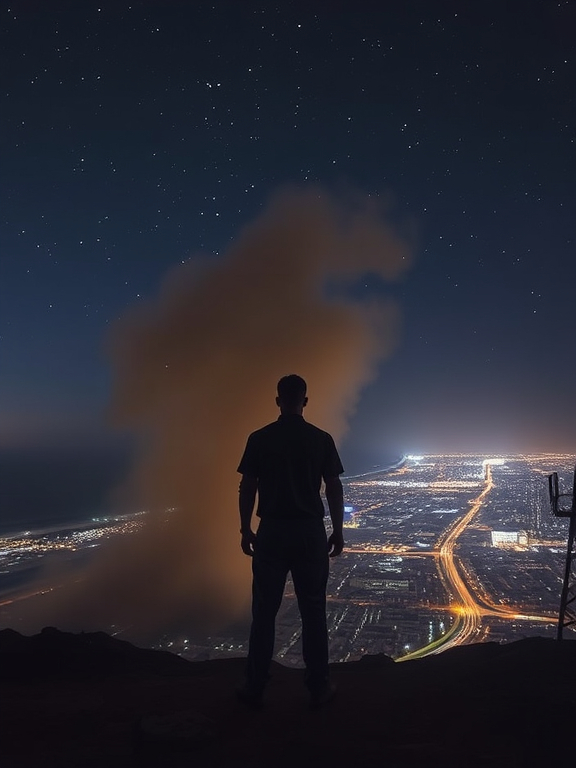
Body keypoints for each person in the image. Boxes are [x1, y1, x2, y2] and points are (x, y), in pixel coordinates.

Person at [237, 374, 345, 709]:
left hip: (271, 532)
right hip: (309, 532)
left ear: (277, 400)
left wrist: (245, 528)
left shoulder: (260, 438)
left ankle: (255, 687)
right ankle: (318, 687)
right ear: (305, 401)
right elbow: (333, 487)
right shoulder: (321, 439)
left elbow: (248, 487)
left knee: (264, 612)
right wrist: (338, 530)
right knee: (313, 612)